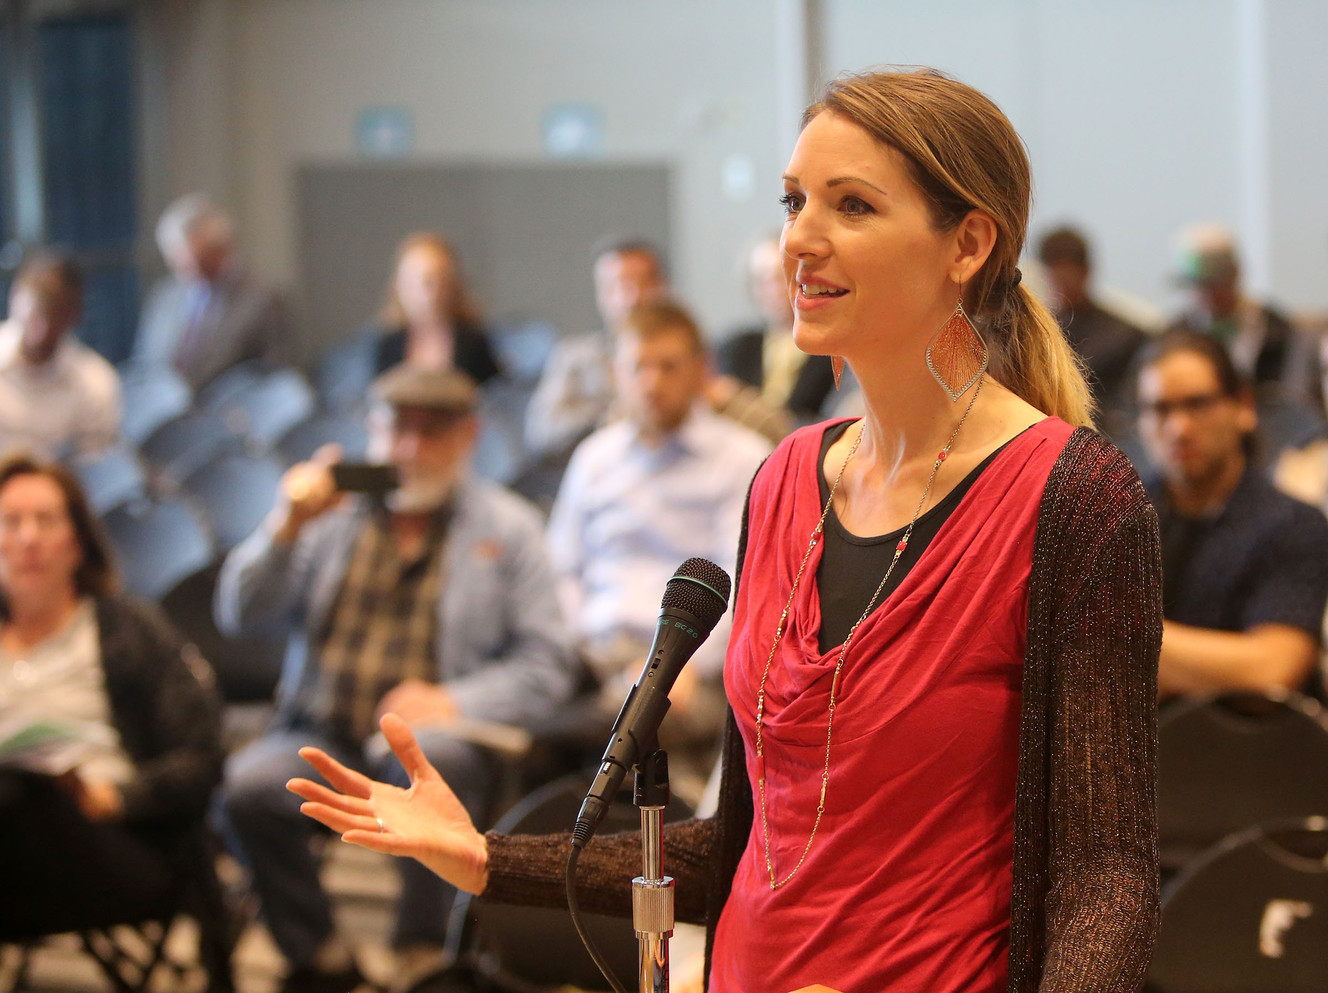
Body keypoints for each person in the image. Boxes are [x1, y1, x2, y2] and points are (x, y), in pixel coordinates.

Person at [289, 68, 1162, 993]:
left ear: (968, 244)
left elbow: (1106, 882)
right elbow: (746, 845)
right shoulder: (784, 480)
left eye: (852, 205)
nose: (800, 239)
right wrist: (487, 857)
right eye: (793, 202)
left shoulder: (1075, 497)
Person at [215, 364, 577, 993]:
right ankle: (319, 956)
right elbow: (240, 614)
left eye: (431, 432)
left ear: (468, 436)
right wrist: (285, 526)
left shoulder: (507, 529)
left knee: (437, 761)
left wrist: (452, 700)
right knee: (247, 787)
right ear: (372, 431)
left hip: (427, 742)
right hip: (318, 729)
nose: (410, 449)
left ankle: (422, 954)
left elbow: (548, 662)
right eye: (396, 429)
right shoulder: (329, 515)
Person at [0, 455, 224, 954]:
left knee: (19, 795)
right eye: (11, 522)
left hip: (113, 835)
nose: (28, 538)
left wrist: (117, 796)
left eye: (46, 521)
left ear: (77, 540)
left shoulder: (130, 630)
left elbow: (201, 759)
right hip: (11, 851)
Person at [546, 300, 771, 795]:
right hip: (591, 658)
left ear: (701, 370)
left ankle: (551, 738)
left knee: (616, 722)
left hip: (689, 669)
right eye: (638, 367)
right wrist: (578, 644)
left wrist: (682, 666)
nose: (651, 382)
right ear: (616, 373)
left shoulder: (741, 459)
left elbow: (745, 587)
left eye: (667, 366)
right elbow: (562, 570)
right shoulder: (594, 459)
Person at [1135, 330, 1328, 700]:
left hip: (1253, 736)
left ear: (1244, 407)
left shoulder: (1292, 524)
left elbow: (1272, 672)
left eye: (1198, 404)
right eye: (1160, 410)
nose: (1179, 428)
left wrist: (1114, 641)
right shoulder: (1119, 517)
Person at [523, 237, 667, 459]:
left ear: (662, 286)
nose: (632, 298)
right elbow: (542, 431)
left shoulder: (684, 354)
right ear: (601, 294)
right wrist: (608, 416)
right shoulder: (575, 356)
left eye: (643, 283)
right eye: (618, 286)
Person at [134, 193, 293, 389]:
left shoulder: (263, 299)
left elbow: (276, 376)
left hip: (230, 403)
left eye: (198, 257)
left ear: (221, 249)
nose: (186, 266)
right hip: (164, 401)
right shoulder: (165, 295)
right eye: (176, 257)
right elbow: (145, 362)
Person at [1166, 223, 1314, 404]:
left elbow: (1292, 393)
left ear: (1235, 274)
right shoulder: (1173, 336)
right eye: (1195, 284)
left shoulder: (1278, 330)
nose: (1204, 294)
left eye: (1214, 283)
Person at [0, 253, 121, 460]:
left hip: (59, 479)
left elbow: (95, 466)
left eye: (54, 318)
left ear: (75, 316)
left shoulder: (96, 382)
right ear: (14, 298)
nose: (42, 333)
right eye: (35, 316)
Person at [716, 233, 837, 423]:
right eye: (762, 280)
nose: (773, 290)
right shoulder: (736, 347)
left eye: (780, 277)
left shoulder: (832, 350)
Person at [1036, 226, 1147, 420]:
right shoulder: (1038, 335)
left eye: (1066, 275)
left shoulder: (1125, 337)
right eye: (1054, 275)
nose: (1060, 284)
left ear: (1085, 271)